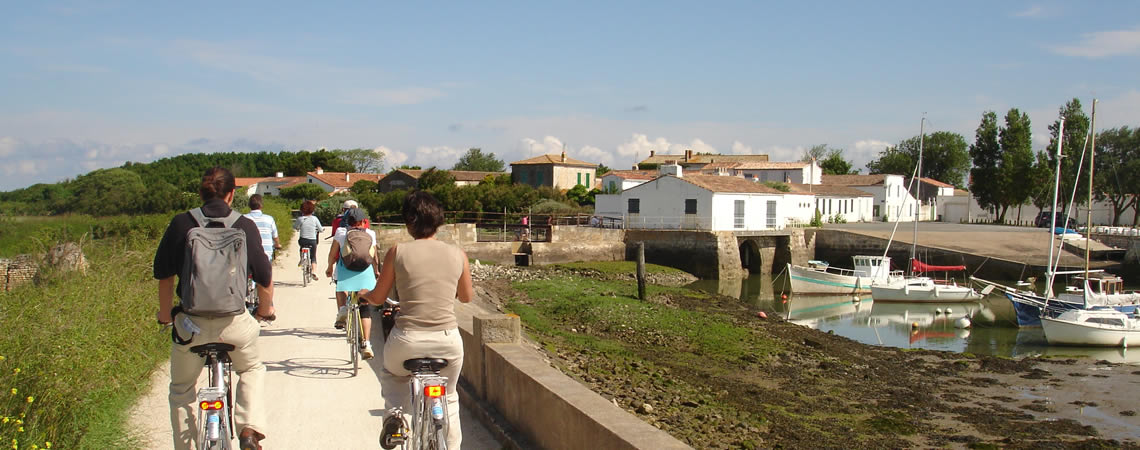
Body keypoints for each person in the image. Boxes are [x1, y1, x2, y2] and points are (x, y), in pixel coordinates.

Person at [154, 167, 274, 450]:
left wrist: (164, 314)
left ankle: (185, 446)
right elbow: (265, 279)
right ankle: (249, 429)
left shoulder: (181, 223)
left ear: (201, 193)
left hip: (190, 325)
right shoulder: (244, 226)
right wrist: (263, 312)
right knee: (252, 369)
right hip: (233, 323)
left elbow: (163, 275)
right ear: (232, 194)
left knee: (182, 389)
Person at [363, 191, 473, 450]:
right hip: (447, 341)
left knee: (392, 374)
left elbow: (379, 298)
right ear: (438, 221)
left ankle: (396, 416)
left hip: (408, 340)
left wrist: (365, 294)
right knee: (449, 397)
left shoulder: (397, 251)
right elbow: (467, 297)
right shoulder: (458, 254)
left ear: (408, 221)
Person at [326, 207, 380, 359]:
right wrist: (376, 271)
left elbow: (333, 253)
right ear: (364, 221)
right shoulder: (370, 234)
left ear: (347, 221)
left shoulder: (341, 233)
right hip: (365, 274)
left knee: (339, 286)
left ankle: (343, 309)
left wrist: (329, 267)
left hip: (346, 272)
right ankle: (367, 343)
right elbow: (374, 256)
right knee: (365, 308)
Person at [244, 194, 281, 262]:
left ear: (249, 205)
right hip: (266, 255)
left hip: (248, 255)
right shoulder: (269, 219)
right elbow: (275, 236)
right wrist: (277, 244)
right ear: (261, 205)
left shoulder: (243, 218)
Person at [293, 199, 322, 280]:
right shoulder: (315, 219)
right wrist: (321, 230)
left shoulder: (300, 219)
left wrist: (298, 228)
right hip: (312, 240)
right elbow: (320, 228)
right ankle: (314, 271)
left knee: (301, 248)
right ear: (312, 210)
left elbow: (295, 227)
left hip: (303, 240)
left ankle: (302, 259)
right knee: (313, 257)